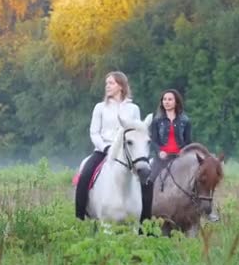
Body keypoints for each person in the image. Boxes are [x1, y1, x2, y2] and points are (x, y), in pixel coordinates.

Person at [75, 71, 150, 222]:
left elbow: (138, 133)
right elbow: (94, 133)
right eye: (106, 83)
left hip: (128, 153)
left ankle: (144, 220)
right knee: (84, 175)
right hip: (104, 151)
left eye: (111, 83)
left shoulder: (133, 108)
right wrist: (105, 148)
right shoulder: (100, 107)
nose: (107, 86)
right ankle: (80, 215)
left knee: (146, 179)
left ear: (121, 86)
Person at [148, 89, 192, 183]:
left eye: (170, 99)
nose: (166, 102)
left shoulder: (185, 120)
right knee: (150, 180)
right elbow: (153, 141)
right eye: (164, 99)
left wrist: (183, 152)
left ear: (176, 102)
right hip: (162, 158)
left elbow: (188, 141)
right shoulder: (157, 120)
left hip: (179, 157)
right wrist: (159, 152)